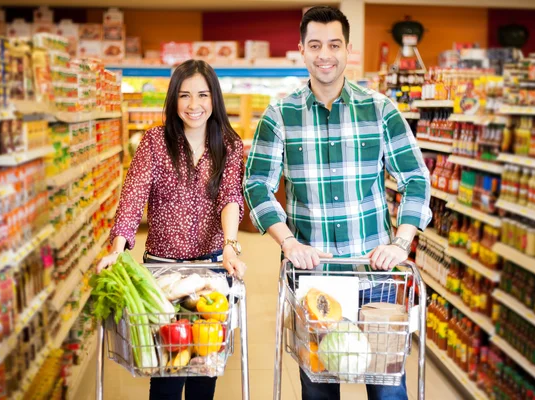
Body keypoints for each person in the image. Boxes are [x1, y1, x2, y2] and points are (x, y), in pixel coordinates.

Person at [244, 6, 431, 400]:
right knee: (319, 389)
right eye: (315, 45)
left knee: (386, 386)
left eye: (333, 44)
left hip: (376, 275)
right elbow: (256, 183)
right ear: (302, 49)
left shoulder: (380, 110)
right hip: (313, 277)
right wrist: (288, 243)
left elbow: (416, 178)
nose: (324, 54)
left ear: (348, 50)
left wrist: (400, 243)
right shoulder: (280, 114)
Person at [97, 59, 246, 400]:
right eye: (185, 96)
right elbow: (133, 195)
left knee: (204, 366)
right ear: (173, 99)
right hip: (163, 270)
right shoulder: (154, 142)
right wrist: (117, 249)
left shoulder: (230, 144)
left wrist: (230, 244)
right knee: (166, 369)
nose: (194, 105)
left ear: (215, 99)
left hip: (210, 270)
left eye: (203, 95)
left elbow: (230, 198)